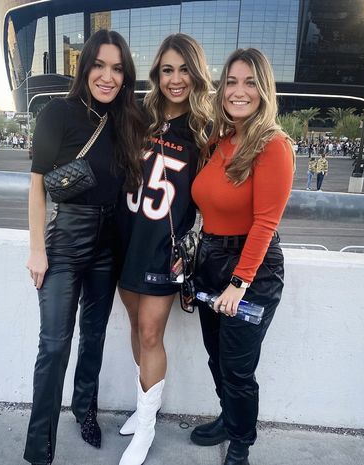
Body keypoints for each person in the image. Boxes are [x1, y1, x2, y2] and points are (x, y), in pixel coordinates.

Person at [23, 30, 145, 465]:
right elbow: (37, 187)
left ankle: (84, 408)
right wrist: (38, 249)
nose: (107, 77)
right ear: (85, 66)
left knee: (92, 336)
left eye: (116, 68)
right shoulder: (59, 113)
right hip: (65, 241)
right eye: (99, 65)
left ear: (125, 75)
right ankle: (39, 450)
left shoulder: (129, 119)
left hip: (109, 243)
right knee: (54, 344)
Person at [190, 48, 294, 465]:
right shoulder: (220, 139)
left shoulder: (273, 145)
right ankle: (229, 417)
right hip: (210, 257)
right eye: (231, 81)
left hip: (252, 269)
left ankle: (240, 443)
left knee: (237, 367)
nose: (239, 90)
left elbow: (265, 224)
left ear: (264, 89)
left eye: (250, 82)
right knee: (217, 357)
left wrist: (239, 283)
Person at [116, 33, 212, 465]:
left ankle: (147, 428)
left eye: (184, 69)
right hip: (126, 239)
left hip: (163, 248)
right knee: (136, 328)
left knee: (152, 333)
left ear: (196, 73)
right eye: (168, 70)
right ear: (157, 73)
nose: (176, 79)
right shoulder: (139, 115)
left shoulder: (206, 130)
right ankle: (144, 408)